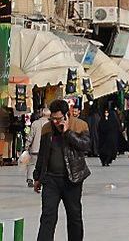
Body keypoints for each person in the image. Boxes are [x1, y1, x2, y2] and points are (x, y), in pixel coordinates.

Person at [33, 99, 91, 241]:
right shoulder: (47, 128)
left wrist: (67, 132)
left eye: (58, 119)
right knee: (47, 216)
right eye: (53, 118)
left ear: (66, 115)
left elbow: (85, 146)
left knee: (74, 216)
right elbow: (43, 154)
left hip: (72, 178)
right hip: (51, 179)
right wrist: (37, 177)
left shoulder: (80, 125)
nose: (55, 122)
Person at [25, 108, 50, 187]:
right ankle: (42, 179)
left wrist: (27, 145)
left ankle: (30, 179)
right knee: (45, 164)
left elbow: (31, 136)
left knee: (32, 164)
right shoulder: (50, 124)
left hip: (35, 148)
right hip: (46, 148)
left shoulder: (35, 123)